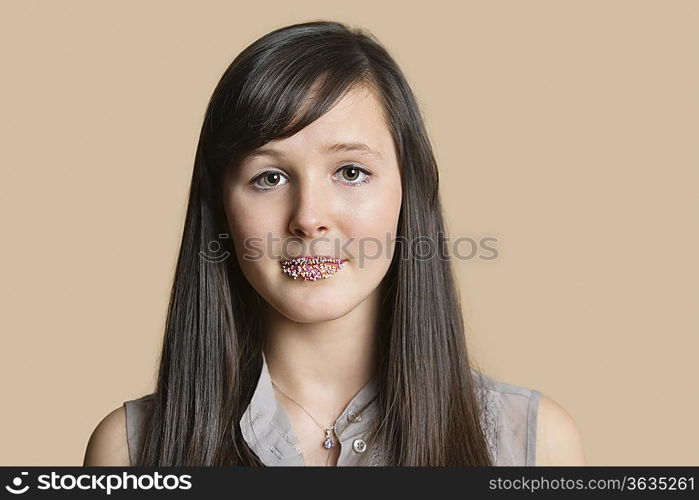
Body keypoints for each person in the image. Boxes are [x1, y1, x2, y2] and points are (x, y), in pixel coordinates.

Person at [83, 20, 585, 467]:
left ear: (409, 192)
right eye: (269, 177)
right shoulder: (130, 452)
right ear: (221, 208)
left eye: (351, 171)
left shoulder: (532, 447)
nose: (308, 218)